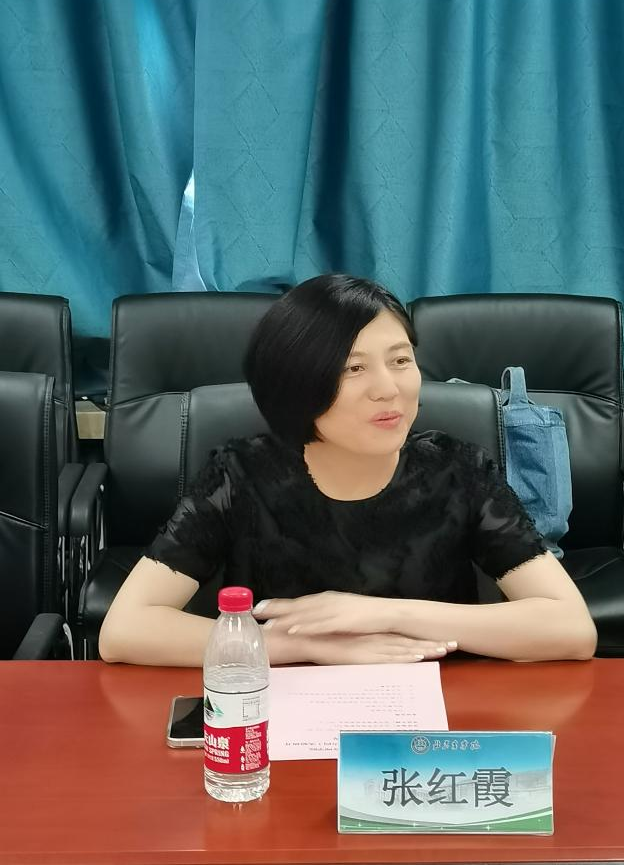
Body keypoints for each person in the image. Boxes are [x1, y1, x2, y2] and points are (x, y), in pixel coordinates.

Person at [99, 274, 597, 667]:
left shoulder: (458, 469)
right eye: (353, 369)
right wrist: (301, 645)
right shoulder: (242, 473)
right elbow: (124, 630)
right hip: (287, 712)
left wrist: (381, 614)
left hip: (431, 719)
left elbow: (571, 628)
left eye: (400, 360)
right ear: (296, 385)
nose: (389, 389)